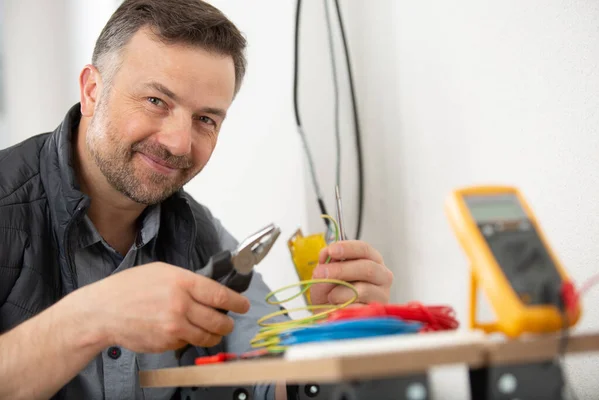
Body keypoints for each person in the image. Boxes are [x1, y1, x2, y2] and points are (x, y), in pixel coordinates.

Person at [0, 0, 394, 399]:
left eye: (205, 119)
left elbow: (269, 380)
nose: (178, 142)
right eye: (156, 101)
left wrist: (341, 334)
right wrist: (95, 315)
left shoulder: (202, 236)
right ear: (91, 90)